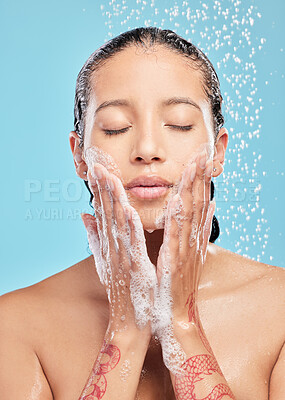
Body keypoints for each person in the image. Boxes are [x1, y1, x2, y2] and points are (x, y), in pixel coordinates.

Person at [0, 27, 284, 400]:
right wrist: (126, 329)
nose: (147, 149)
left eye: (179, 123)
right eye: (116, 127)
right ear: (79, 156)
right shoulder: (16, 326)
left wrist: (181, 324)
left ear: (218, 152)